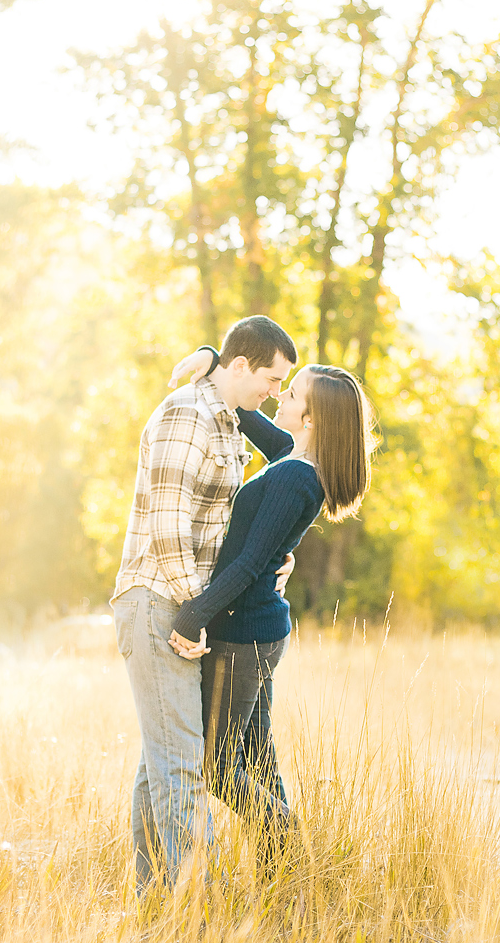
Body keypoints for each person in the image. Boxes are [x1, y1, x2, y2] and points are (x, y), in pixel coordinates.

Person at [165, 348, 375, 878]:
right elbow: (250, 415)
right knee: (257, 758)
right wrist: (217, 367)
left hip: (242, 633)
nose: (280, 394)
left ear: (311, 418)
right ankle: (285, 878)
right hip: (260, 630)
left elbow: (249, 565)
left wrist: (194, 615)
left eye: (294, 392)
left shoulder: (292, 477)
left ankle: (290, 843)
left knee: (217, 767)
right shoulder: (297, 460)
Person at [111, 316, 298, 893]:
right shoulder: (185, 416)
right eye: (271, 379)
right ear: (240, 368)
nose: (274, 393)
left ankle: (155, 905)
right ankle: (202, 912)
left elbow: (288, 453)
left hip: (186, 607)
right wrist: (195, 617)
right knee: (182, 767)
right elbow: (168, 534)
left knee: (161, 764)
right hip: (160, 603)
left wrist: (270, 562)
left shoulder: (225, 421)